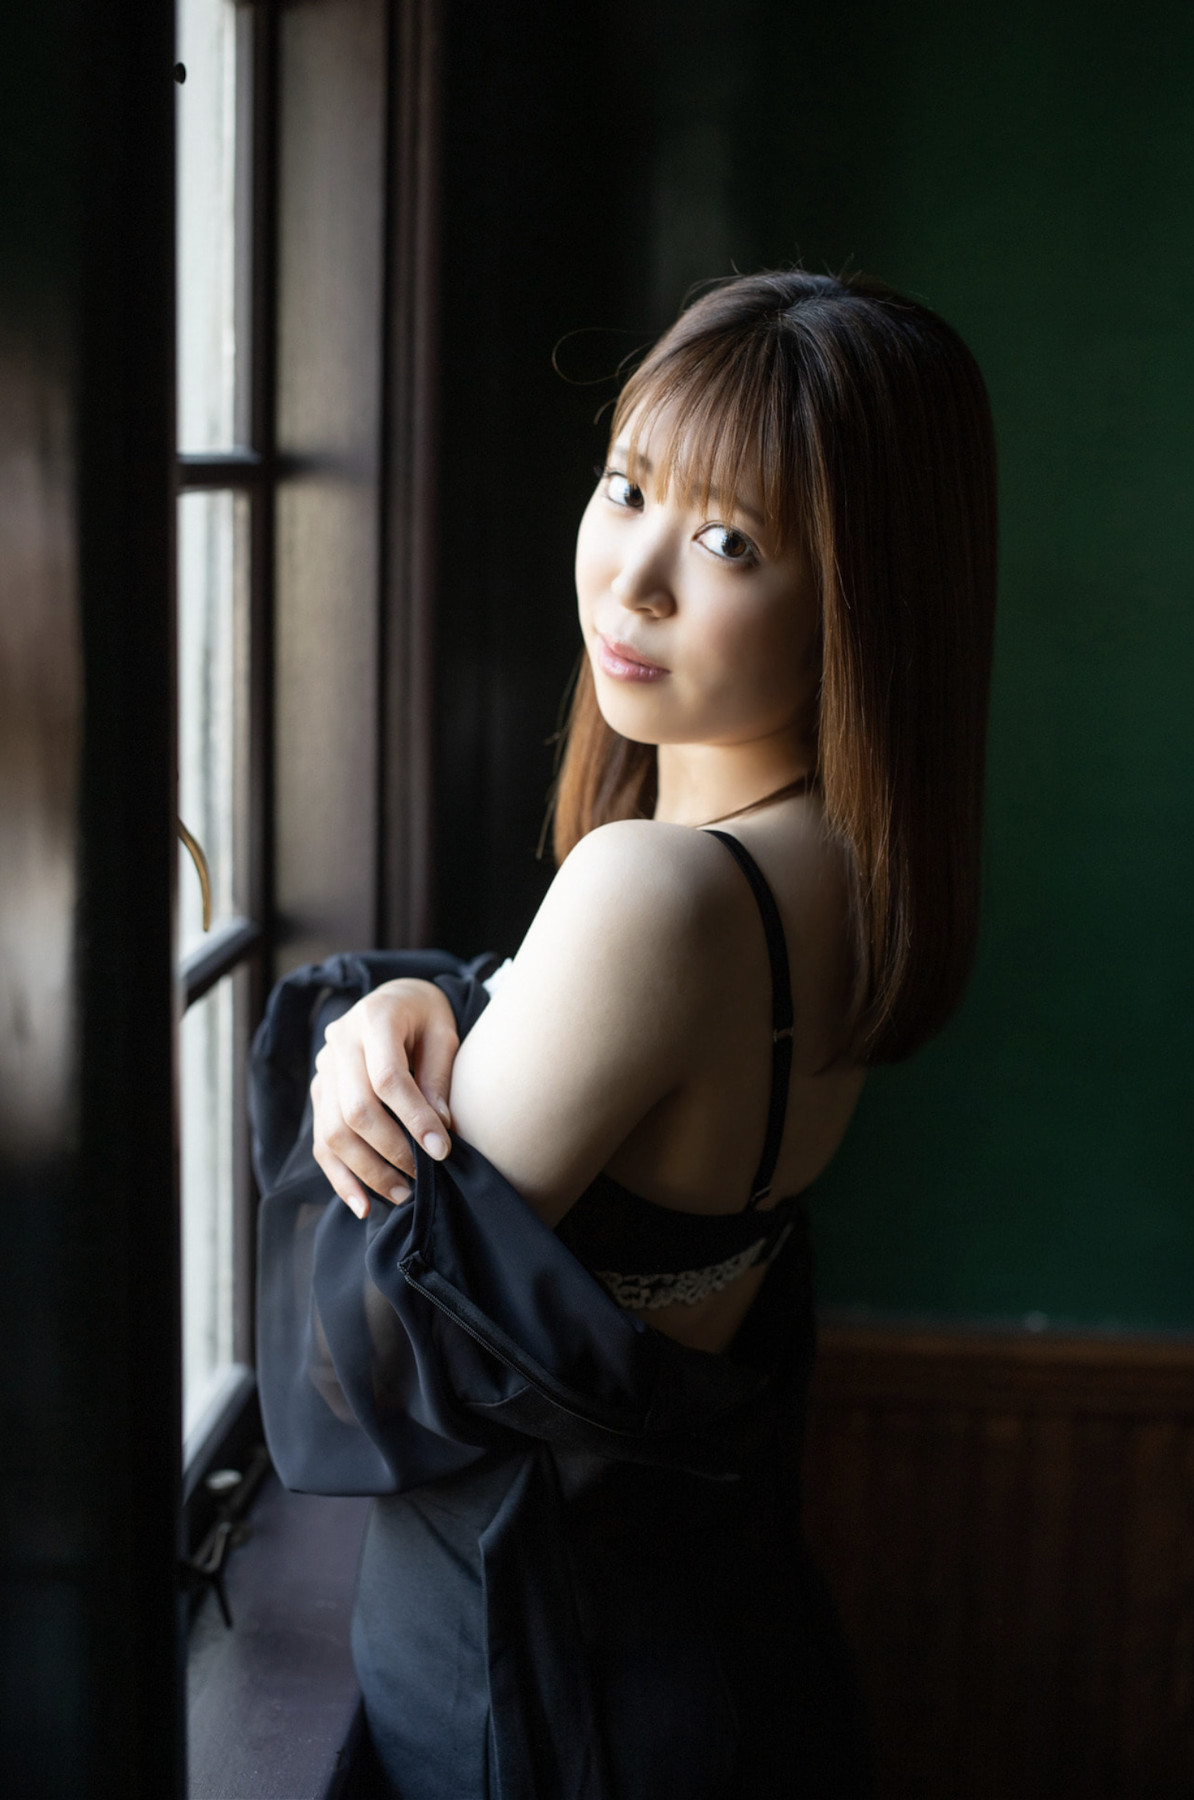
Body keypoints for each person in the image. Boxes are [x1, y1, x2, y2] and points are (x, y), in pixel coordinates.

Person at [252, 269, 997, 1798]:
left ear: (860, 592)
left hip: (534, 1686)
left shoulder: (654, 893)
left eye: (728, 541)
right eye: (626, 487)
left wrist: (344, 1032)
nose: (634, 577)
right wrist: (433, 1002)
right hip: (704, 1647)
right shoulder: (840, 870)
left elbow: (360, 1367)